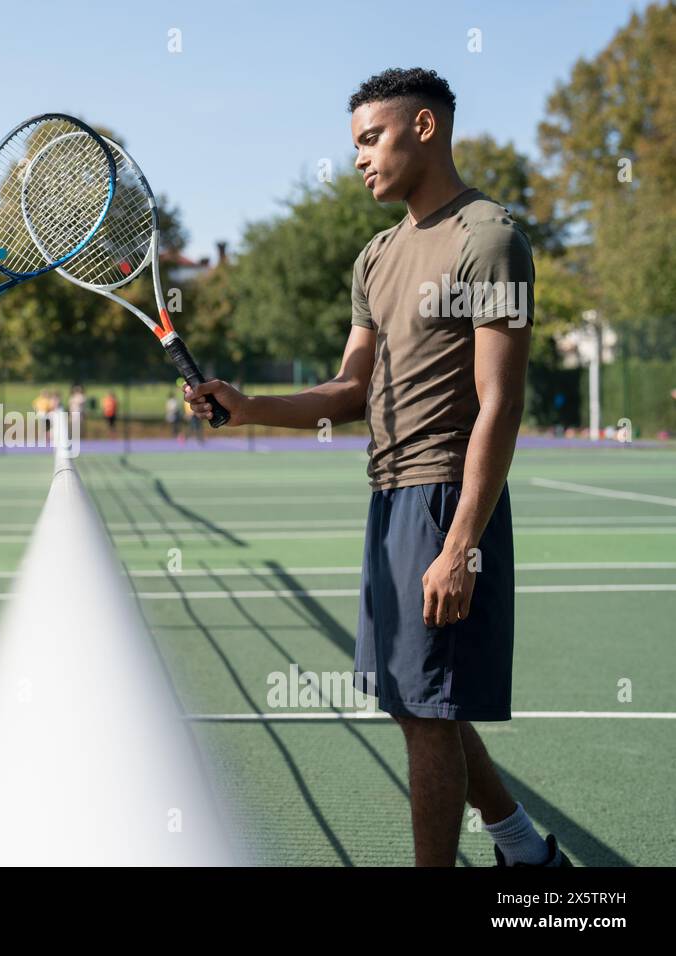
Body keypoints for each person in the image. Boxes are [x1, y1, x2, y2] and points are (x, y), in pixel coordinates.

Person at [187, 68, 565, 868]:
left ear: (424, 128)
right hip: (388, 495)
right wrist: (248, 405)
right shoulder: (377, 255)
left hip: (446, 498)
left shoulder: (489, 239)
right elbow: (351, 389)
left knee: (428, 713)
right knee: (417, 702)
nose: (359, 159)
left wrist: (460, 543)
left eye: (371, 139)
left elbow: (501, 404)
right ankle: (525, 853)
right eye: (354, 144)